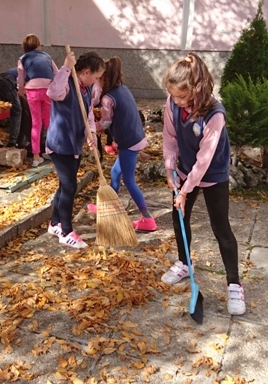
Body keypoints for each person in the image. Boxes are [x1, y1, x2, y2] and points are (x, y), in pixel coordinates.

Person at [161, 52, 245, 316]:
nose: (177, 101)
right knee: (179, 218)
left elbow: (205, 159)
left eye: (182, 96)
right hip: (185, 168)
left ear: (196, 88)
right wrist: (170, 168)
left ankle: (234, 284)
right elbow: (170, 137)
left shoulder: (215, 115)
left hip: (212, 173)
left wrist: (185, 191)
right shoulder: (173, 103)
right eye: (173, 95)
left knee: (221, 228)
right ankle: (185, 263)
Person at [46, 50, 103, 249]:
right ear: (86, 72)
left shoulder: (86, 88)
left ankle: (55, 223)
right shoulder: (66, 83)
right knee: (70, 187)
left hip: (74, 145)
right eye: (96, 76)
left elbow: (88, 114)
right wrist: (66, 66)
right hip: (60, 144)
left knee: (65, 185)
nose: (97, 80)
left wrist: (91, 133)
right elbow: (53, 93)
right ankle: (66, 231)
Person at [92, 56, 157, 232]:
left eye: (98, 78)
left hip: (128, 142)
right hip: (135, 137)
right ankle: (108, 207)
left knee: (129, 180)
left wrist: (91, 127)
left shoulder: (108, 98)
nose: (96, 82)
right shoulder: (123, 89)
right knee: (115, 173)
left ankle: (147, 218)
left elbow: (106, 122)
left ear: (104, 78)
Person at [18, 34, 58, 167]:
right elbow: (57, 73)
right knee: (48, 122)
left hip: (32, 91)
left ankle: (36, 156)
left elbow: (20, 77)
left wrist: (20, 90)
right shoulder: (47, 56)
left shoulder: (23, 59)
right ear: (39, 45)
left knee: (36, 123)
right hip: (47, 90)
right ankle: (51, 151)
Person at [0, 68, 24, 149]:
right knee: (16, 111)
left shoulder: (24, 68)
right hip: (8, 82)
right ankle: (12, 142)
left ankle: (11, 135)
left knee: (10, 108)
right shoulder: (31, 73)